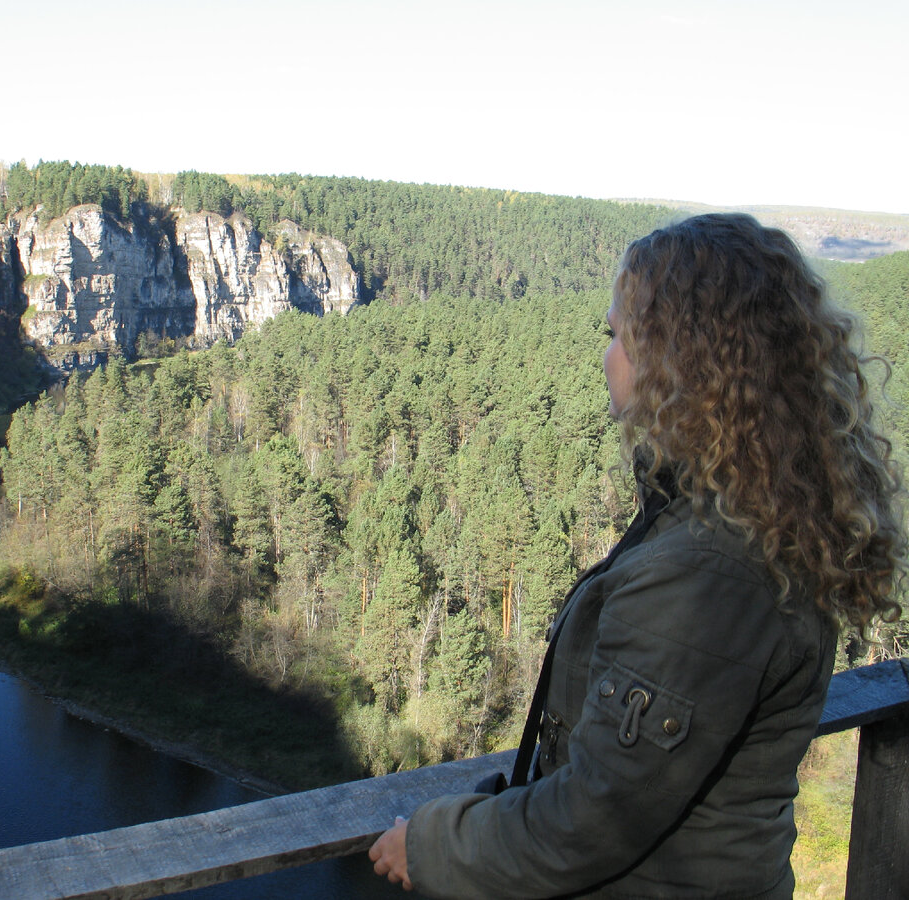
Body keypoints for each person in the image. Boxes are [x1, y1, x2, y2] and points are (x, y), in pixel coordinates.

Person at [369, 213, 906, 898]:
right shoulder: (745, 522)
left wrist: (430, 844)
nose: (606, 356)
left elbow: (594, 818)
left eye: (616, 334)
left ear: (678, 358)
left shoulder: (708, 574)